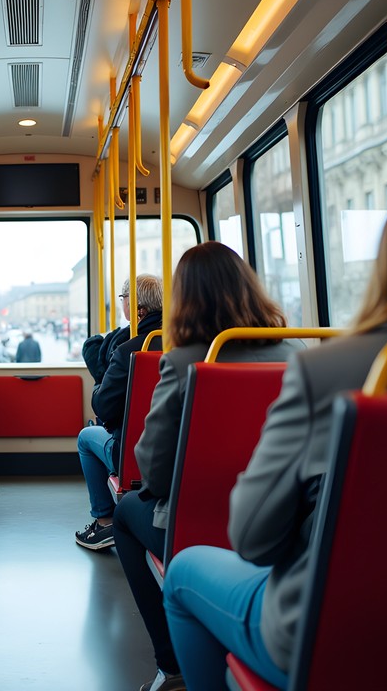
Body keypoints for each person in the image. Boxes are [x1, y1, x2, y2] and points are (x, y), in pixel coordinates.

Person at [162, 163, 387, 691]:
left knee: (182, 573)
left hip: (334, 636)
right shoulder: (296, 352)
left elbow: (252, 539)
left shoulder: (326, 372)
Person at [113, 242, 302, 691]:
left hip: (198, 524)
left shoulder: (182, 362)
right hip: (285, 524)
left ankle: (172, 663)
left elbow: (154, 472)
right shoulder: (297, 356)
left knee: (124, 514)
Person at [75, 274, 163, 551]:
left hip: (136, 451)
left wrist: (99, 387)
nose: (122, 303)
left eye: (124, 299)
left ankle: (104, 522)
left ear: (137, 308)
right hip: (184, 450)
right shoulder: (190, 342)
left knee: (88, 435)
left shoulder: (128, 350)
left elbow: (104, 407)